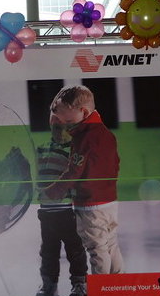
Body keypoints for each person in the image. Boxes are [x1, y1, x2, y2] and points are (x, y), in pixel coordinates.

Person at [45, 85, 124, 276]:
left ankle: (101, 289)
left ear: (84, 112)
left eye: (69, 121)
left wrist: (53, 191)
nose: (67, 126)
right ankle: (118, 284)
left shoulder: (84, 138)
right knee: (111, 243)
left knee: (97, 248)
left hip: (91, 204)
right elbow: (116, 163)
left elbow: (74, 171)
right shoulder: (106, 133)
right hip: (109, 201)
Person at [34, 111, 88, 296]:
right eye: (57, 128)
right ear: (51, 127)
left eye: (66, 128)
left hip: (68, 210)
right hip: (46, 210)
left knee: (75, 249)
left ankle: (79, 285)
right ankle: (49, 286)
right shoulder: (42, 149)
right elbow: (35, 173)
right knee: (48, 251)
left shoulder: (75, 151)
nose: (61, 132)